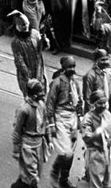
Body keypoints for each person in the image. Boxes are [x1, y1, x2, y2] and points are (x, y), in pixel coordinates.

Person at [45, 56, 82, 188]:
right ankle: (55, 172)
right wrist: (51, 125)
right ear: (63, 68)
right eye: (69, 67)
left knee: (70, 153)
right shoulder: (57, 82)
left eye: (73, 66)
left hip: (72, 118)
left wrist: (80, 118)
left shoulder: (75, 83)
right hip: (60, 118)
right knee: (67, 152)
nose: (72, 69)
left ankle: (64, 180)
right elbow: (49, 105)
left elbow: (79, 102)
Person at [11, 79, 49, 188]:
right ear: (33, 94)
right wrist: (16, 149)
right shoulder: (24, 109)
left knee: (33, 173)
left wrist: (48, 139)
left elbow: (45, 121)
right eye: (40, 92)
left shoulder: (42, 105)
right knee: (32, 178)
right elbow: (17, 130)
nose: (43, 94)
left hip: (39, 144)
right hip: (28, 146)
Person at [81, 89, 111, 188]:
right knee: (96, 184)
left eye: (104, 102)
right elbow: (86, 137)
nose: (103, 106)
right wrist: (97, 132)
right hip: (95, 154)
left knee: (108, 183)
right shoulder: (88, 118)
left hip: (107, 154)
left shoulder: (108, 115)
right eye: (99, 103)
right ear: (94, 104)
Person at [9, 10, 45, 97]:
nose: (25, 26)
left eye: (25, 24)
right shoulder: (16, 42)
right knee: (30, 96)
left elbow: (40, 49)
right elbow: (19, 60)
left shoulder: (35, 34)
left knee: (42, 93)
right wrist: (28, 77)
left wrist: (45, 42)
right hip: (26, 75)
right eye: (22, 25)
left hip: (39, 70)